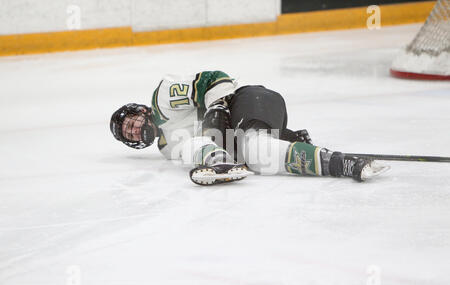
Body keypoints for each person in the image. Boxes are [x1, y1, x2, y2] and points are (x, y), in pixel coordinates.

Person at [110, 70, 389, 185]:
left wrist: (217, 106)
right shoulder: (165, 147)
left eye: (130, 122)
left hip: (249, 99)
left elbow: (212, 78)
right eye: (128, 134)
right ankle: (343, 163)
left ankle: (220, 157)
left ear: (141, 110)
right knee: (259, 155)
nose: (133, 129)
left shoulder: (162, 98)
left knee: (252, 147)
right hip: (241, 135)